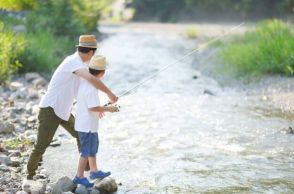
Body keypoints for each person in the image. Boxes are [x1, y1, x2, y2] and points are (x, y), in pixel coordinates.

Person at [26, 35, 118, 180]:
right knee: (42, 145)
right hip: (51, 109)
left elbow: (82, 94)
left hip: (63, 111)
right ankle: (30, 175)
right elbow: (92, 79)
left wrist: (99, 109)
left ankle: (88, 170)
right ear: (91, 52)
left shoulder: (79, 66)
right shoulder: (73, 62)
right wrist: (110, 93)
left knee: (79, 134)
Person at [73, 55, 118, 187]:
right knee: (86, 151)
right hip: (86, 126)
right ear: (103, 72)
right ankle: (78, 176)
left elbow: (91, 106)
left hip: (89, 125)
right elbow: (92, 107)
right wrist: (109, 108)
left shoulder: (86, 83)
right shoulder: (91, 87)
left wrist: (101, 109)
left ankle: (94, 171)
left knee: (93, 148)